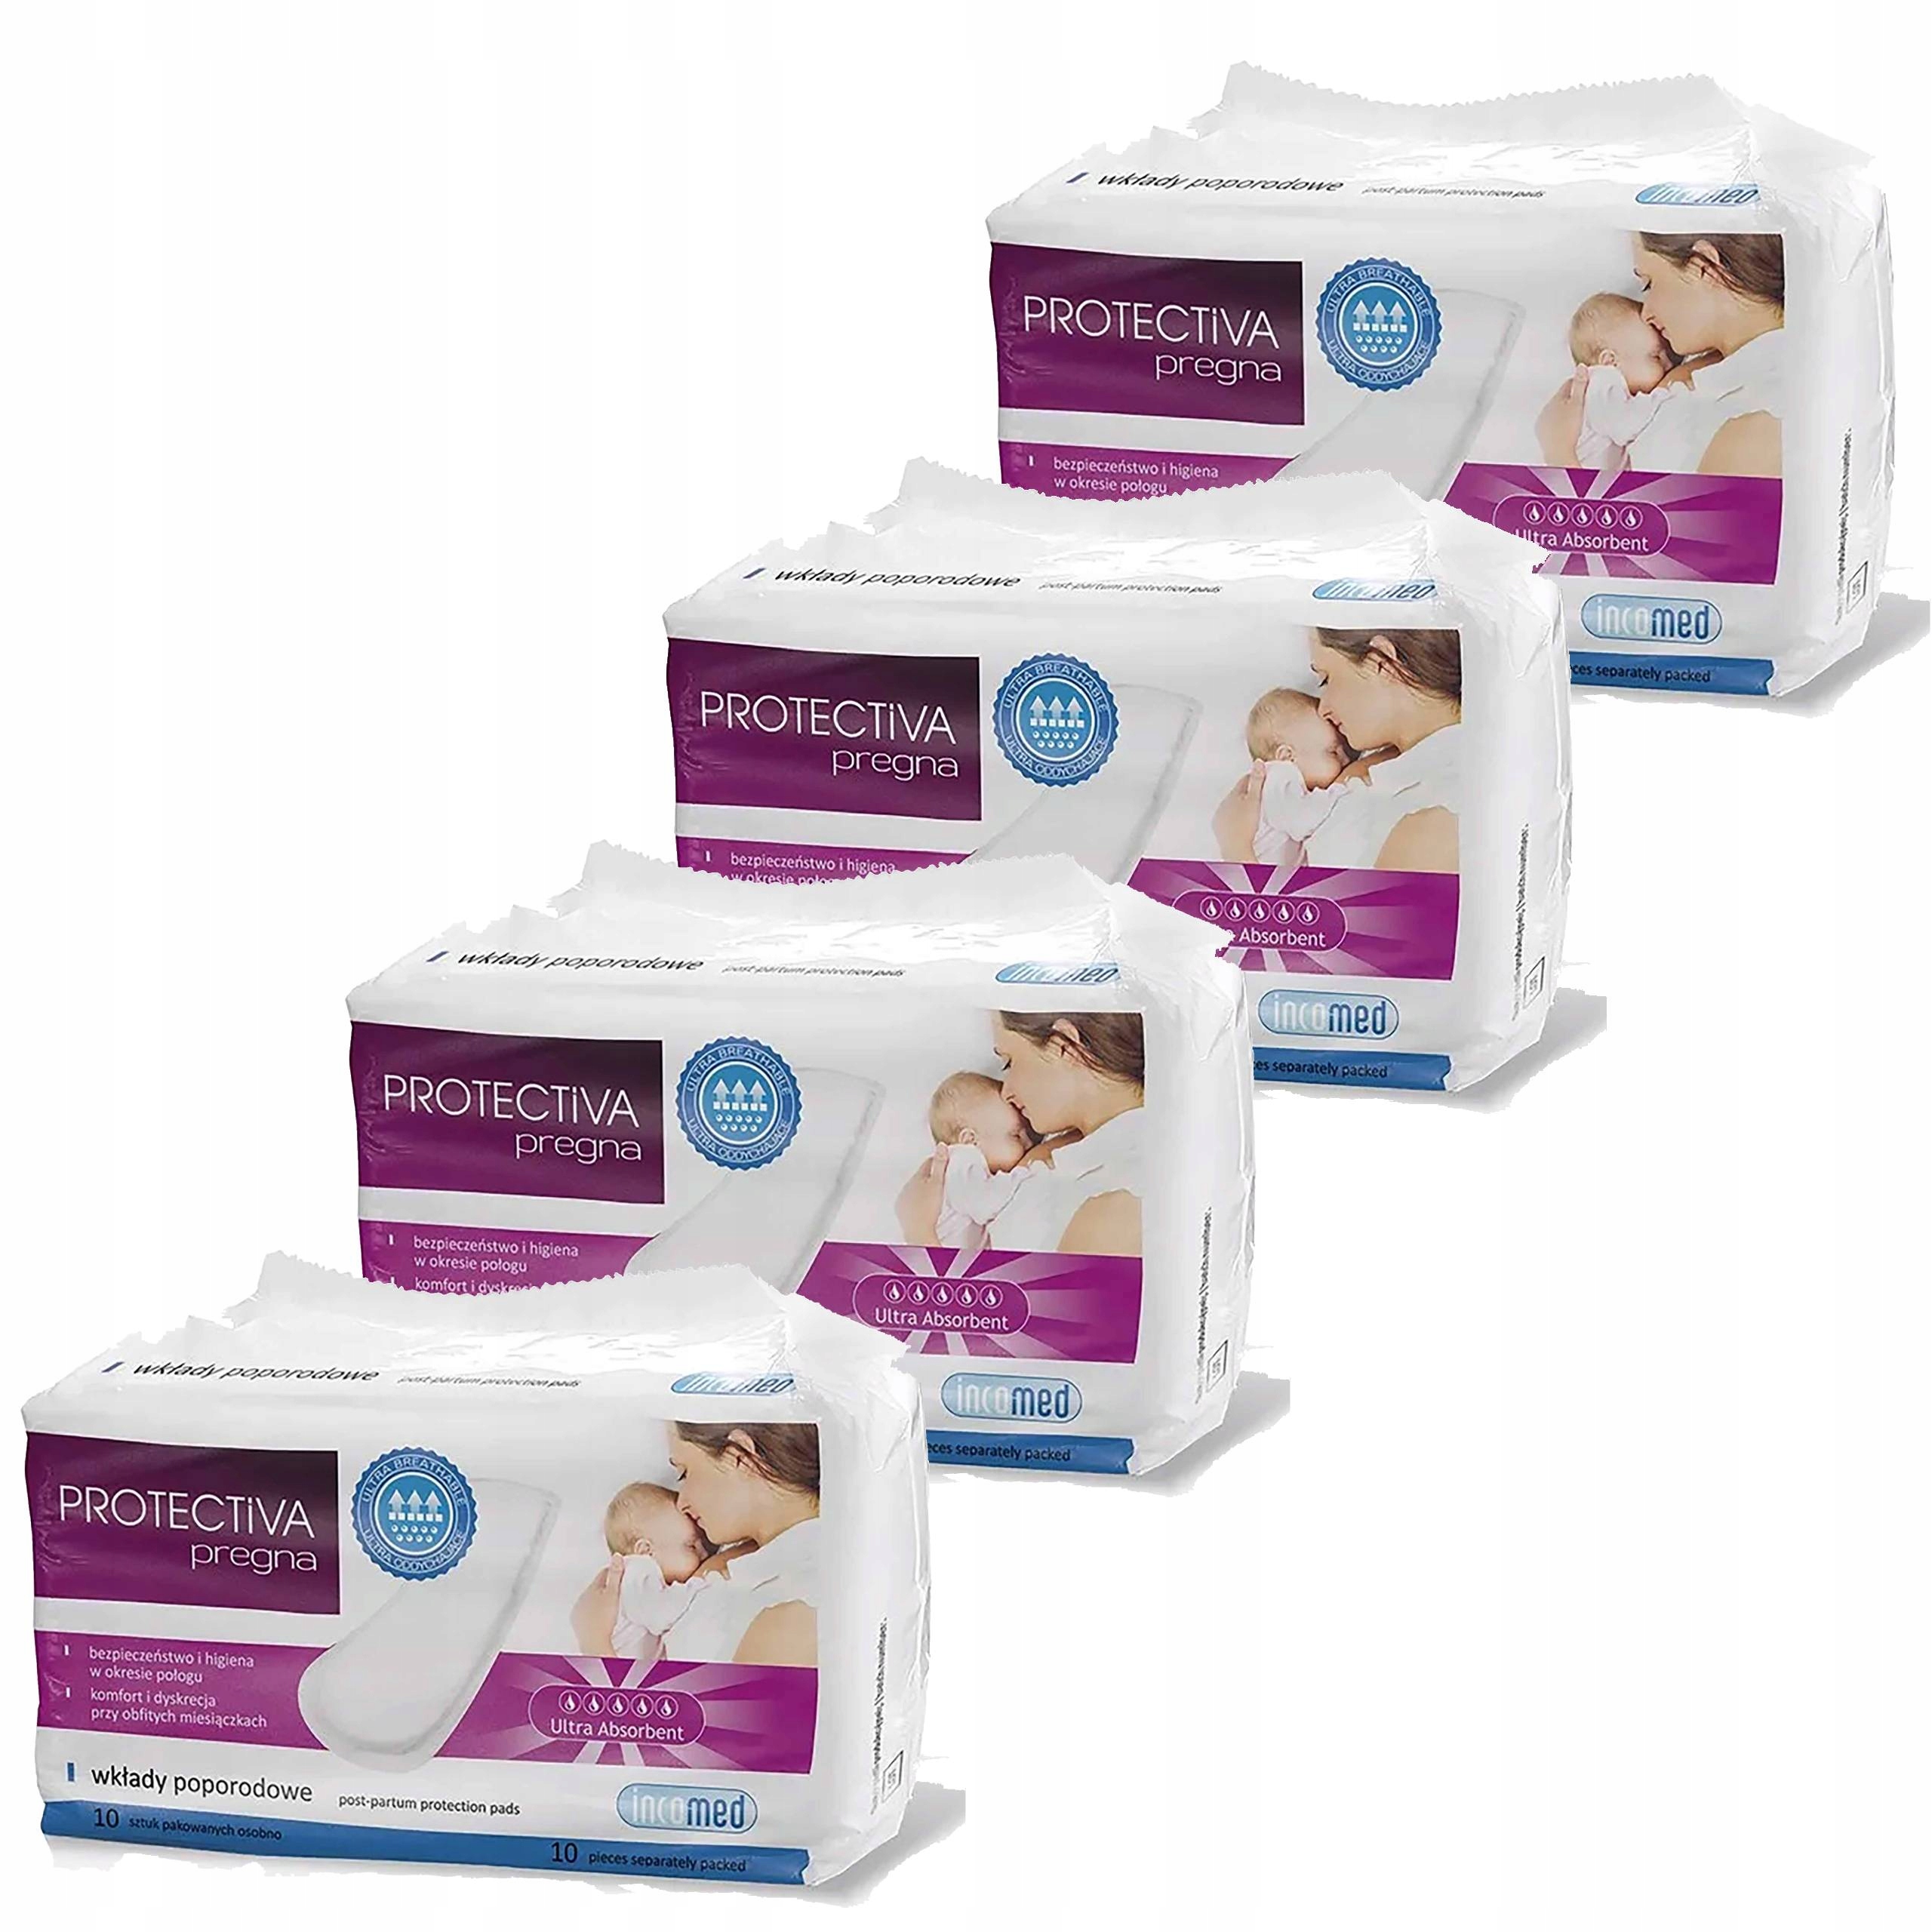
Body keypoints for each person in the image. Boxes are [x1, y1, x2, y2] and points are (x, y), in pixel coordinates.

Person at [571, 1421, 820, 1667]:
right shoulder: (735, 1559)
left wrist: (594, 1642)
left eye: (684, 1473)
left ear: (740, 1456)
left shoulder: (795, 1611)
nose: (681, 1503)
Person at [897, 1011, 1144, 1258]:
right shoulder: (1058, 1149)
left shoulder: (1119, 1201)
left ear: (1064, 1045)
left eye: (1009, 1062)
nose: (1006, 1092)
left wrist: (919, 1232)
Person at [1215, 629, 1463, 874]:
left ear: (1382, 662)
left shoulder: (1436, 820)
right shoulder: (1375, 765)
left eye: (1326, 679)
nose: (1322, 708)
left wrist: (1236, 848)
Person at [1538, 232, 1784, 478]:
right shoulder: (1698, 370)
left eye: (1649, 284)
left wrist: (1559, 453)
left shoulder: (1761, 420)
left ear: (1704, 267)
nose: (1646, 313)